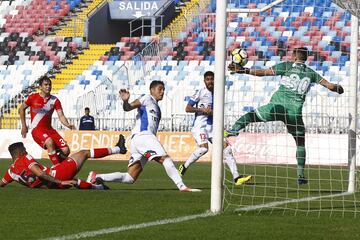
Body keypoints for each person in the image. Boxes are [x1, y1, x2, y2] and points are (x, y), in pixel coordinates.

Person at [226, 47, 344, 184]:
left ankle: (233, 130)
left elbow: (263, 73)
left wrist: (243, 70)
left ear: (294, 56)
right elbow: (330, 86)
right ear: (306, 58)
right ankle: (301, 175)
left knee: (249, 117)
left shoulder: (287, 66)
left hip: (277, 107)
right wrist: (338, 88)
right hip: (295, 113)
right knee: (300, 143)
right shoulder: (311, 73)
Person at [87, 80, 200, 192]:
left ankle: (96, 177)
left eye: (163, 90)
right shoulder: (147, 98)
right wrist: (126, 101)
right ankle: (182, 186)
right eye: (160, 89)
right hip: (144, 136)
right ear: (152, 90)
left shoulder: (157, 108)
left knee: (130, 177)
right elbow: (128, 107)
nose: (162, 92)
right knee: (166, 159)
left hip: (139, 140)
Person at [178, 71, 252, 185]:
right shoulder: (200, 92)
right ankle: (184, 167)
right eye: (207, 79)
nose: (210, 81)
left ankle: (237, 178)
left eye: (212, 79)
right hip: (200, 126)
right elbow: (188, 108)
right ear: (204, 81)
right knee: (204, 149)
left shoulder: (219, 93)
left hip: (212, 127)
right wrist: (202, 110)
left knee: (227, 149)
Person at [0, 134, 127, 189]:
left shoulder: (10, 172)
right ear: (20, 152)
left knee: (74, 181)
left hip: (49, 187)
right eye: (24, 150)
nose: (26, 151)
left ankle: (98, 187)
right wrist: (60, 180)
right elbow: (39, 173)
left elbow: (2, 183)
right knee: (84, 153)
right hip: (56, 176)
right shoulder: (25, 158)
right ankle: (118, 149)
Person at [18, 76, 75, 166]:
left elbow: (61, 115)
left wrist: (67, 124)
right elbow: (21, 109)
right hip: (37, 130)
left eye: (49, 85)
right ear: (40, 87)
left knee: (66, 150)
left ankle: (59, 168)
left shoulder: (55, 100)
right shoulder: (33, 97)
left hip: (50, 130)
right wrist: (24, 126)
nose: (48, 86)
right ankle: (57, 169)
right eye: (45, 85)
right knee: (49, 142)